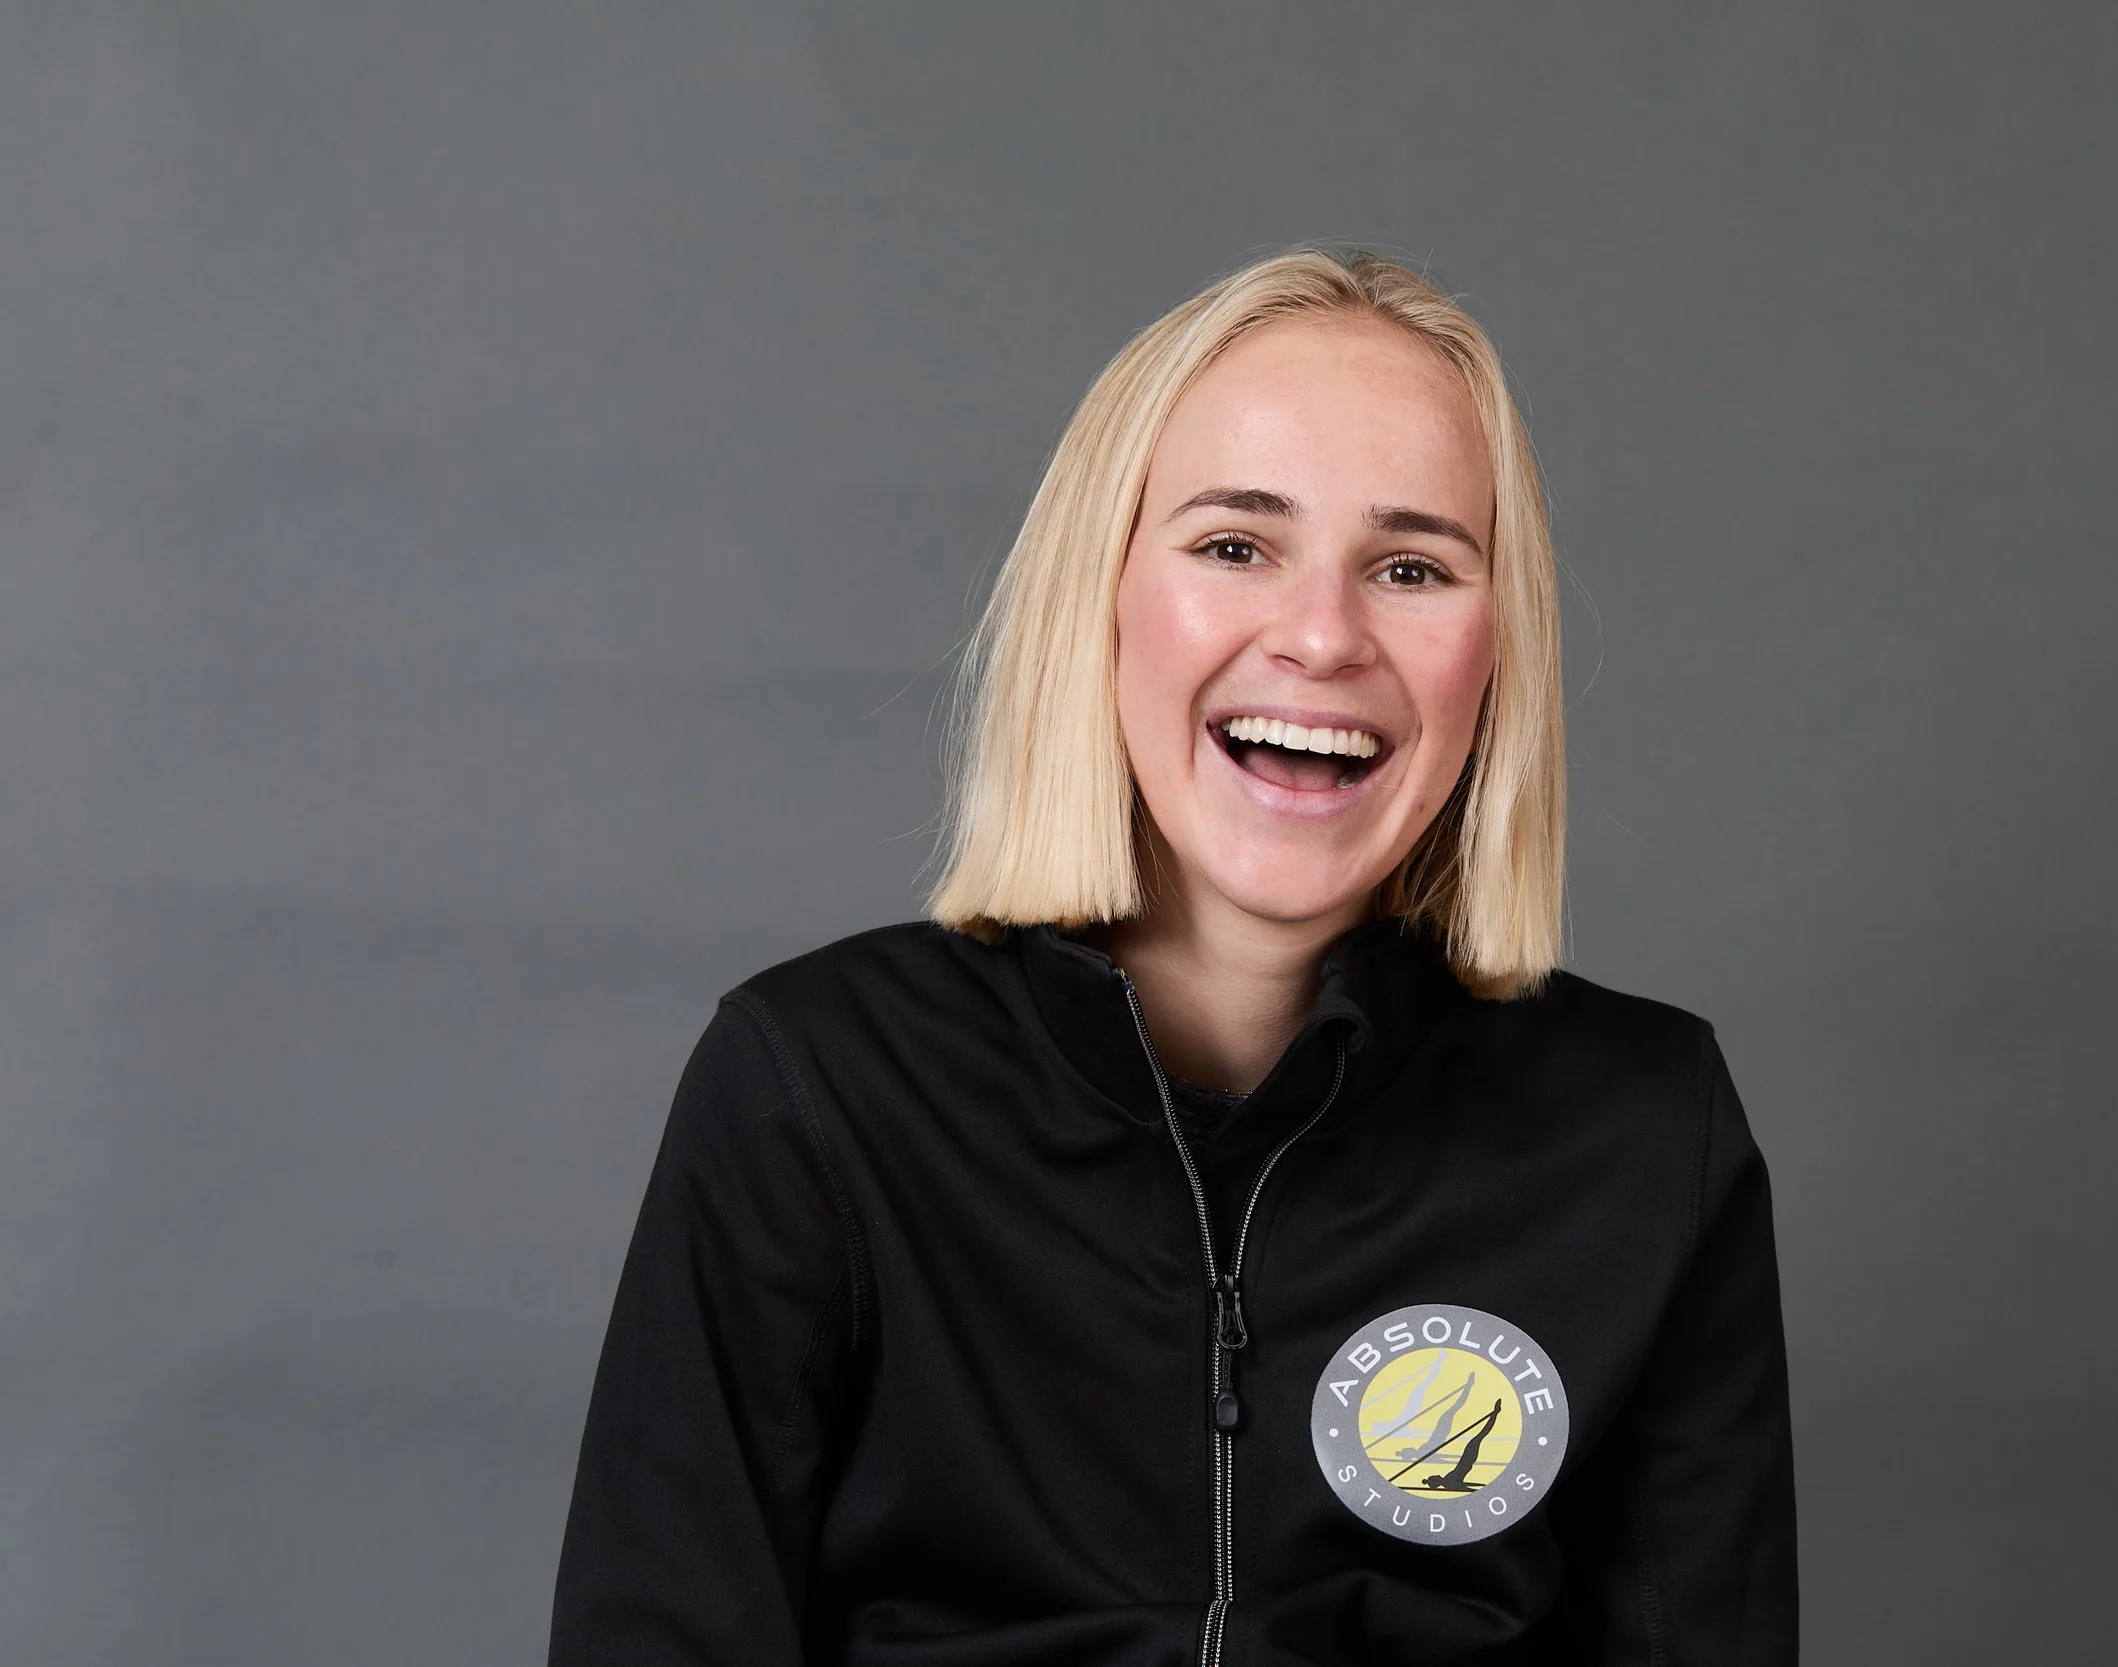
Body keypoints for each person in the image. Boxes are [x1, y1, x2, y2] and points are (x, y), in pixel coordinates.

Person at [550, 248, 1797, 1665]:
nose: (1324, 636)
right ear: (1103, 597)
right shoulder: (816, 1091)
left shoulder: (1642, 1130)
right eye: (1233, 544)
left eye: (1411, 566)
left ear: (1497, 649)